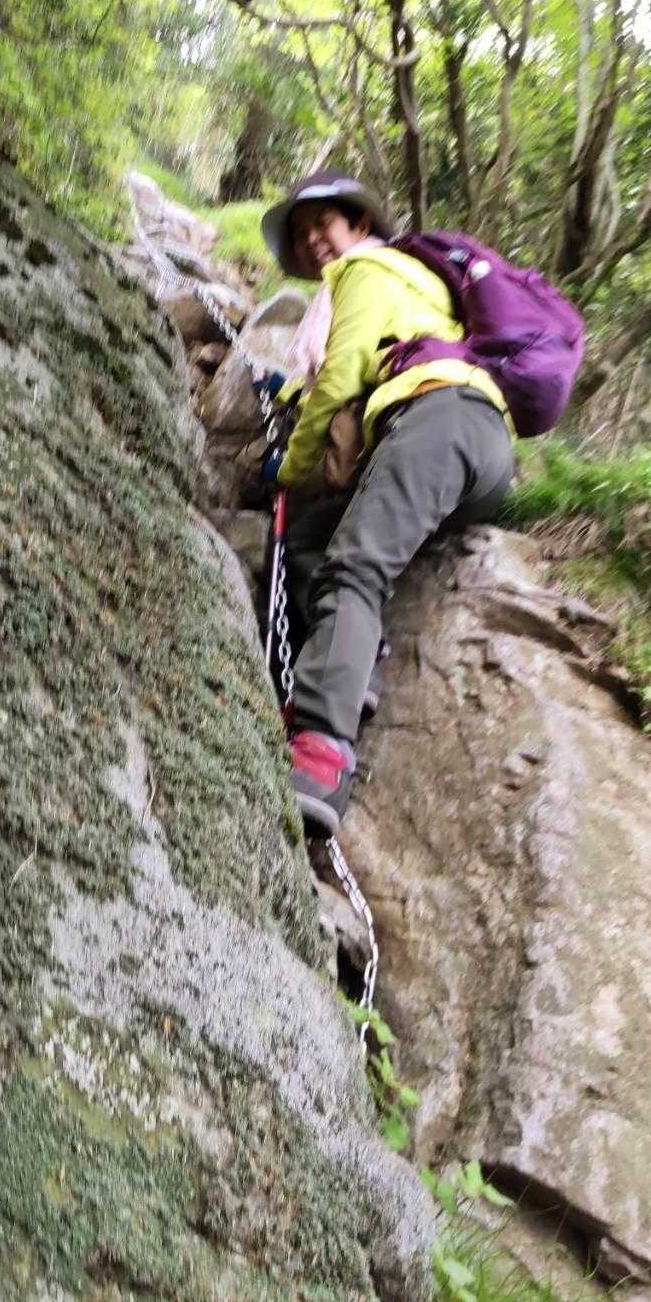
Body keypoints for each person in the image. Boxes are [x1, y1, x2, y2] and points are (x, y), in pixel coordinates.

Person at [259, 170, 516, 836]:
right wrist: (286, 396)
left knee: (354, 568)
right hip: (472, 441)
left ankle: (322, 755)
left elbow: (340, 375)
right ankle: (356, 657)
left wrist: (291, 468)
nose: (313, 241)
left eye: (324, 224)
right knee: (310, 542)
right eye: (302, 234)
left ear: (361, 225)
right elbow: (354, 370)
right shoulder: (410, 283)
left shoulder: (368, 269)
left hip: (437, 419)